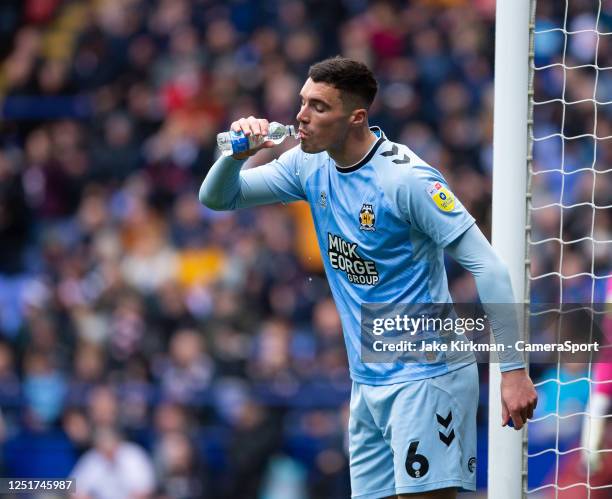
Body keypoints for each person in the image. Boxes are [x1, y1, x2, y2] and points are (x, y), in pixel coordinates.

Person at [199, 56, 538, 499]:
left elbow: (487, 265)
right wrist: (234, 156)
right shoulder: (308, 164)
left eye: (318, 107)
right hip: (369, 381)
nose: (300, 116)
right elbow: (219, 198)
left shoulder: (407, 180)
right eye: (302, 102)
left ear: (356, 117)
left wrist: (512, 370)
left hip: (427, 375)